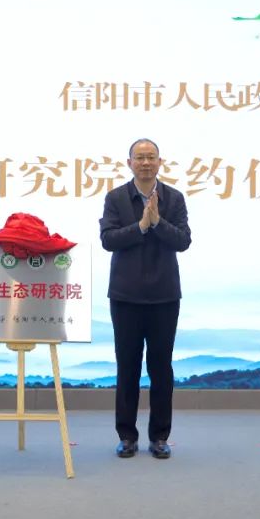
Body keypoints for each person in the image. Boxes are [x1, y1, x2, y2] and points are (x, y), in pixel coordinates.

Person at [99, 139, 192, 459]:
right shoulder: (115, 198)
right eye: (140, 157)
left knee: (161, 368)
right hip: (125, 296)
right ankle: (127, 436)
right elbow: (108, 240)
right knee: (127, 367)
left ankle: (160, 437)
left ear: (160, 162)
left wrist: (157, 223)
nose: (145, 162)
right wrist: (140, 226)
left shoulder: (174, 198)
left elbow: (183, 241)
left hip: (164, 295)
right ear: (129, 163)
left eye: (151, 157)